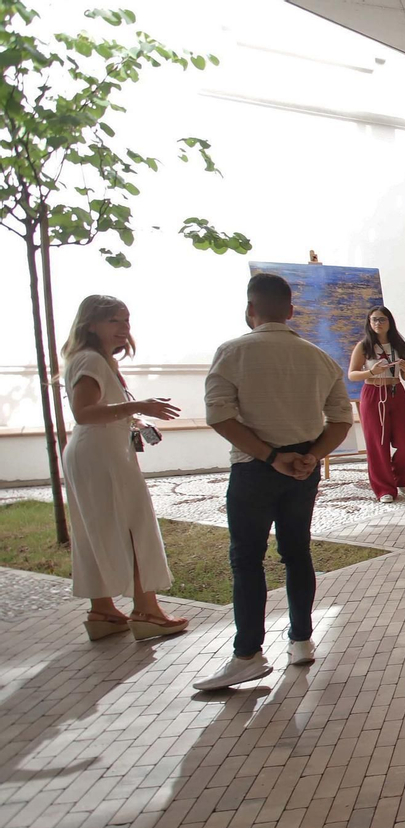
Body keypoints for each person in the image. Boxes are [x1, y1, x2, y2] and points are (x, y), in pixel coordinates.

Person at [196, 272, 353, 691]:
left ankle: (247, 654)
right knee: (296, 551)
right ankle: (301, 640)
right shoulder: (319, 357)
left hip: (254, 467)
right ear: (290, 310)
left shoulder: (232, 353)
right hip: (303, 466)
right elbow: (341, 420)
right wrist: (312, 456)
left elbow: (219, 415)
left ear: (250, 309)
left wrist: (270, 456)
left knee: (247, 559)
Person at [58, 295, 190, 642]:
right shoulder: (90, 360)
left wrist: (134, 416)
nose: (124, 328)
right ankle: (146, 609)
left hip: (99, 450)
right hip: (100, 453)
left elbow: (99, 410)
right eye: (115, 321)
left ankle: (102, 610)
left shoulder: (92, 359)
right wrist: (139, 405)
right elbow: (84, 411)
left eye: (126, 320)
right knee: (133, 525)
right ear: (91, 324)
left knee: (96, 528)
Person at [347, 306, 405, 503]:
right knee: (377, 443)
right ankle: (384, 488)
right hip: (373, 394)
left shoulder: (399, 345)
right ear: (369, 323)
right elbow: (352, 374)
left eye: (382, 319)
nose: (378, 323)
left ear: (390, 322)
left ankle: (400, 477)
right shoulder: (364, 346)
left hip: (396, 392)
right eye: (374, 320)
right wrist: (371, 372)